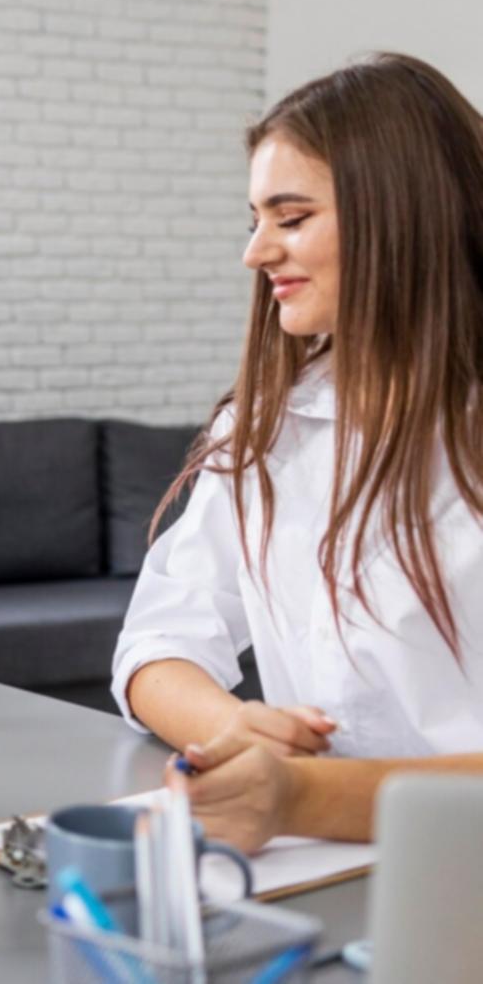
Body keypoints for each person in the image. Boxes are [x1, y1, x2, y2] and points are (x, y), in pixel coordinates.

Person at [111, 53, 483, 853]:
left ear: (401, 215)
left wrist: (301, 795)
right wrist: (233, 728)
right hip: (320, 872)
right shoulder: (269, 425)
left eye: (289, 217)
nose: (254, 253)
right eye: (253, 220)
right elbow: (156, 642)